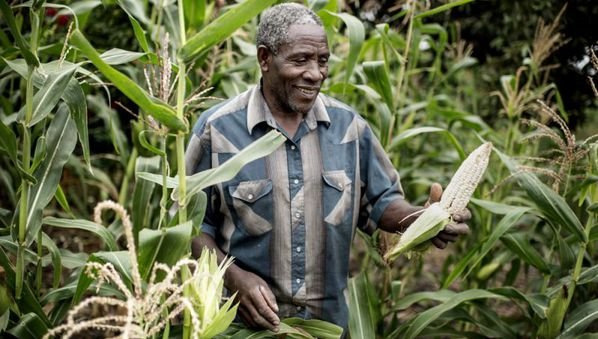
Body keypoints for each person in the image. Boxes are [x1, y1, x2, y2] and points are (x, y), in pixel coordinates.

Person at [186, 2, 470, 335]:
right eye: (300, 60)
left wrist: (424, 220)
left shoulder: (350, 129)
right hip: (246, 328)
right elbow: (191, 226)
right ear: (264, 59)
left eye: (323, 60)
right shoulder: (216, 131)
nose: (315, 73)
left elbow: (380, 204)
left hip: (329, 328)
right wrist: (232, 277)